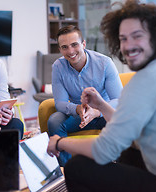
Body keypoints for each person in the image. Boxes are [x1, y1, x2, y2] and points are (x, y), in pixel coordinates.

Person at [47, 0, 156, 192]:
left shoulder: (145, 81)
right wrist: (101, 104)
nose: (128, 46)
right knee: (130, 151)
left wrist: (60, 142)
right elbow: (125, 124)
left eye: (137, 36)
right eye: (123, 39)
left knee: (76, 167)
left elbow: (105, 150)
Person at [48, 25, 122, 165]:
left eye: (74, 45)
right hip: (79, 115)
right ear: (60, 49)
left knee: (120, 118)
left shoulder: (104, 63)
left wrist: (96, 111)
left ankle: (117, 168)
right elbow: (60, 103)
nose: (70, 51)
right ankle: (66, 171)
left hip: (103, 114)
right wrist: (78, 109)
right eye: (64, 47)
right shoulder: (58, 67)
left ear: (83, 44)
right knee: (55, 120)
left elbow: (118, 100)